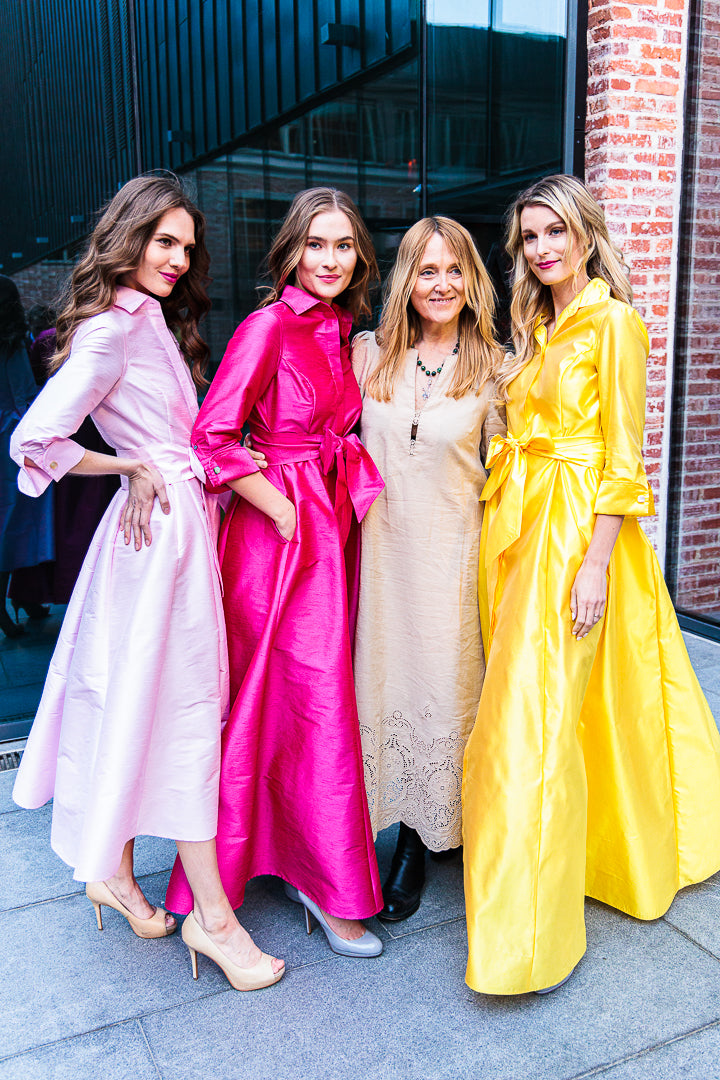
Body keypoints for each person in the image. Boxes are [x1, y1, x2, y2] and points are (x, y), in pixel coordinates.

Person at [10, 174, 284, 992]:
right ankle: (214, 919)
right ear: (129, 237)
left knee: (145, 703)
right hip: (156, 542)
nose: (178, 259)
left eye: (187, 247)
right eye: (164, 241)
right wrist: (127, 465)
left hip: (174, 534)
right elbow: (35, 439)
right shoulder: (109, 331)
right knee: (187, 713)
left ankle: (117, 874)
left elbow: (177, 435)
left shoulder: (151, 321)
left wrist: (212, 461)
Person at [462, 173, 720, 995]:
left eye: (556, 232)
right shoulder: (537, 326)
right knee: (587, 703)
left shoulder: (615, 324)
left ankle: (526, 937)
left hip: (578, 535)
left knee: (531, 712)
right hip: (519, 523)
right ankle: (596, 858)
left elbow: (624, 457)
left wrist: (597, 564)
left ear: (585, 236)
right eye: (530, 236)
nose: (542, 248)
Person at [165, 187, 386, 958]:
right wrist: (283, 509)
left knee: (306, 704)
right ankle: (318, 888)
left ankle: (304, 867)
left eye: (344, 245)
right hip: (276, 541)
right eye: (316, 244)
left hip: (326, 526)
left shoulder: (342, 330)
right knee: (293, 699)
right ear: (291, 251)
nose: (330, 259)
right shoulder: (267, 326)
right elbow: (212, 437)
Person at [351, 217, 504, 921]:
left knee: (445, 694)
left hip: (453, 563)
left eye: (454, 270)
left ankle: (424, 840)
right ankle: (384, 827)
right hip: (381, 560)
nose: (440, 284)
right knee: (384, 687)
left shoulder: (497, 369)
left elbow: (514, 478)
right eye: (425, 270)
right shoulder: (368, 355)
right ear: (405, 280)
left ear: (472, 279)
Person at [0, 277, 54, 637]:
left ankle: (26, 598)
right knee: (14, 523)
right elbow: (22, 397)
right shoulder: (11, 341)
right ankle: (15, 601)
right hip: (9, 439)